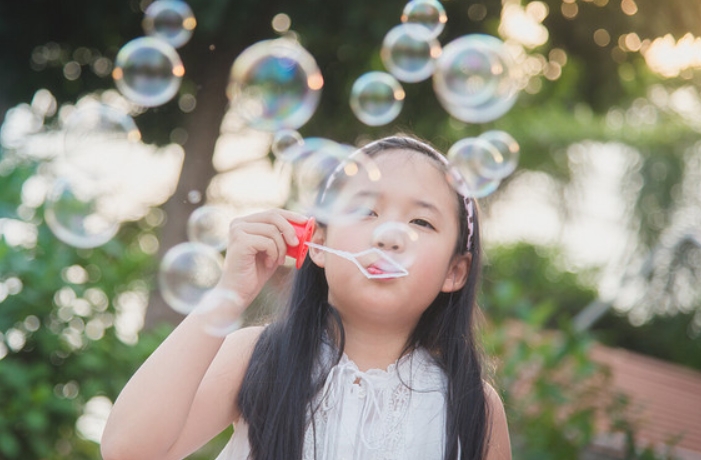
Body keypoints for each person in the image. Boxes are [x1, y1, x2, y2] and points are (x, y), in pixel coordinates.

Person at [100, 135, 511, 460]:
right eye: (366, 210)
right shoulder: (259, 356)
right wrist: (230, 293)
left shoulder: (472, 404)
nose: (388, 235)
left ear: (455, 271)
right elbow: (129, 450)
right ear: (318, 242)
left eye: (421, 221)